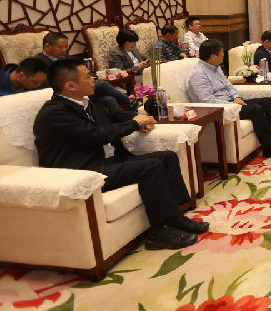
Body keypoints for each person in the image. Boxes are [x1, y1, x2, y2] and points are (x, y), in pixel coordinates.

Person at [34, 59, 207, 250]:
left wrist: (141, 119)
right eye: (88, 76)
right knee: (151, 167)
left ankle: (175, 216)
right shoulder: (54, 113)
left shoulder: (85, 102)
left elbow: (114, 116)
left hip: (108, 161)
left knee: (167, 157)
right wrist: (134, 124)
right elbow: (97, 135)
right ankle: (158, 234)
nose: (93, 79)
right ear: (70, 86)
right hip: (84, 171)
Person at [187, 39, 271, 159]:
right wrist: (233, 104)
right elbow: (208, 101)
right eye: (222, 53)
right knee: (256, 109)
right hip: (222, 109)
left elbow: (229, 86)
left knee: (268, 101)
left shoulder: (215, 67)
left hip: (232, 102)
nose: (223, 55)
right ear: (213, 56)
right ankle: (269, 148)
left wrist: (237, 97)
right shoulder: (199, 74)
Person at [36, 31, 134, 114]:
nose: (64, 50)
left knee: (108, 100)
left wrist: (89, 77)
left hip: (81, 90)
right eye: (60, 47)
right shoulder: (38, 63)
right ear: (47, 46)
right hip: (65, 93)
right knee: (102, 85)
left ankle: (118, 124)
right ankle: (133, 103)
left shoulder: (68, 58)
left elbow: (85, 70)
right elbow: (43, 85)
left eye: (66, 47)